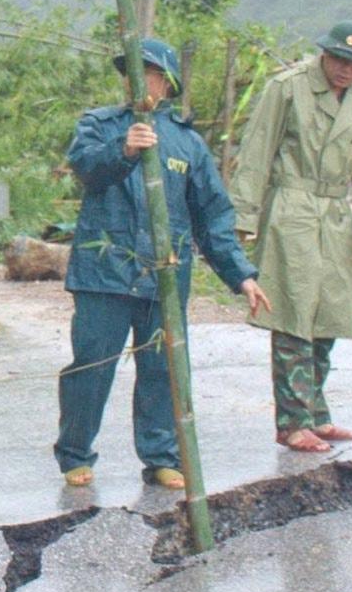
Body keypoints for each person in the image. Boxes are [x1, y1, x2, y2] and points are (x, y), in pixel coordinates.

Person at [56, 38, 270, 491]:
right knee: (91, 365)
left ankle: (160, 457)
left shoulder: (187, 143)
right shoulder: (100, 125)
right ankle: (75, 452)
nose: (142, 81)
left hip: (164, 277)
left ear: (167, 84)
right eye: (135, 71)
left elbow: (212, 215)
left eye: (151, 73)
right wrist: (125, 150)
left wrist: (242, 275)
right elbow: (87, 169)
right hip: (104, 273)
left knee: (161, 369)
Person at [227, 22, 352, 453]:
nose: (345, 70)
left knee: (329, 314)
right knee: (292, 313)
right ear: (325, 54)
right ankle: (291, 421)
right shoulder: (289, 88)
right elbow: (257, 149)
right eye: (340, 59)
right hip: (292, 208)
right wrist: (243, 217)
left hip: (336, 215)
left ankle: (316, 412)